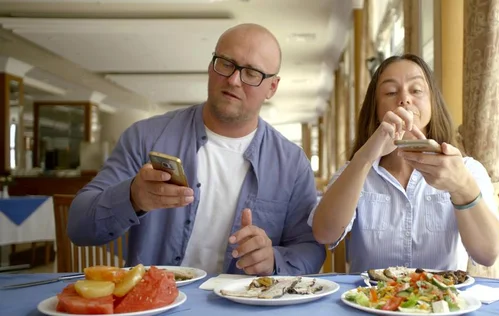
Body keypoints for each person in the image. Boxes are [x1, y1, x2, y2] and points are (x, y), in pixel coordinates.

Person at [68, 23, 325, 276]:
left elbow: (311, 249)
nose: (234, 80)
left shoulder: (291, 163)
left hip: (246, 306)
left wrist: (273, 260)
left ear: (272, 87)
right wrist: (133, 197)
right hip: (156, 304)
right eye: (225, 63)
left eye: (251, 73)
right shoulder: (145, 138)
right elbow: (79, 226)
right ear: (211, 66)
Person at [309, 53, 499, 273]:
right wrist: (365, 158)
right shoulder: (355, 170)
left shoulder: (466, 169)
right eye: (390, 92)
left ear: (433, 103)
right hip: (372, 302)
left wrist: (461, 186)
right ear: (375, 109)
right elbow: (324, 233)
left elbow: (488, 254)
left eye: (416, 90)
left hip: (441, 302)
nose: (404, 99)